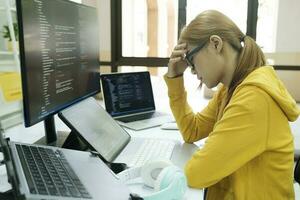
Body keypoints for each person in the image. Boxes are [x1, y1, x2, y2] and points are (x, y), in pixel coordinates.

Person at [165, 10, 300, 199]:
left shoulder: (254, 98)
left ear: (216, 44)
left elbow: (197, 173)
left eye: (191, 61)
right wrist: (175, 78)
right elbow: (192, 131)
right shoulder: (230, 89)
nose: (192, 71)